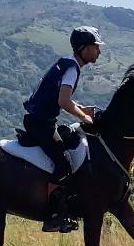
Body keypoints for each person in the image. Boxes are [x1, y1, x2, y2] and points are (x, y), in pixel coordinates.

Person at [22, 26, 103, 231]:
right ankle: (53, 216)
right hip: (41, 123)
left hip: (40, 120)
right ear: (84, 48)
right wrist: (84, 117)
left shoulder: (67, 65)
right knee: (64, 164)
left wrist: (81, 108)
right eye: (95, 47)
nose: (98, 51)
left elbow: (63, 99)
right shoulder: (72, 68)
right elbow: (64, 101)